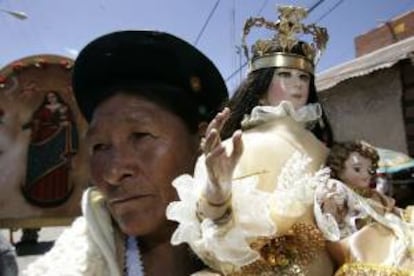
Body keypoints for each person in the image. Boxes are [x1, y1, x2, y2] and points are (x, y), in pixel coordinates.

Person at [23, 30, 228, 275]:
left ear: (204, 140)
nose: (112, 172)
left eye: (140, 136)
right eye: (99, 146)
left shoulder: (267, 251)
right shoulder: (68, 266)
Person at [167, 6, 336, 275]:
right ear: (260, 88)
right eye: (285, 75)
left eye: (303, 77)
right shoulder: (239, 145)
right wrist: (217, 194)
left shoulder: (321, 147)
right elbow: (215, 235)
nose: (298, 84)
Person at [314, 141, 414, 274]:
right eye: (357, 169)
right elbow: (332, 222)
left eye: (369, 170)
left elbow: (386, 208)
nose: (365, 175)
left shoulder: (367, 193)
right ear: (339, 168)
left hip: (386, 229)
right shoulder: (338, 189)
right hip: (366, 241)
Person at [22, 90, 78, 207]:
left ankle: (58, 193)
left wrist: (68, 124)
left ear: (57, 97)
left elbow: (71, 123)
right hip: (43, 139)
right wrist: (35, 124)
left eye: (53, 96)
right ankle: (38, 193)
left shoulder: (64, 108)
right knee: (42, 164)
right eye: (49, 97)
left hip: (60, 140)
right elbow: (36, 121)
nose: (51, 98)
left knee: (58, 164)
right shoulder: (43, 109)